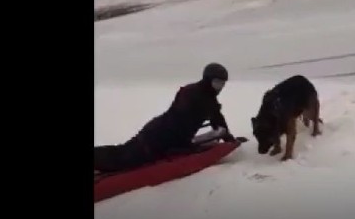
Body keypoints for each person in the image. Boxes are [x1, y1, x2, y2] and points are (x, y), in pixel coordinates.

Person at [94, 63, 245, 174]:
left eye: (222, 83)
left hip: (162, 134)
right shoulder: (193, 93)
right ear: (208, 80)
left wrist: (230, 140)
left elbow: (218, 121)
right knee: (123, 159)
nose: (220, 87)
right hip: (157, 137)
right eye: (217, 82)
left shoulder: (207, 99)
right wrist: (182, 146)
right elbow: (182, 118)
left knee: (123, 153)